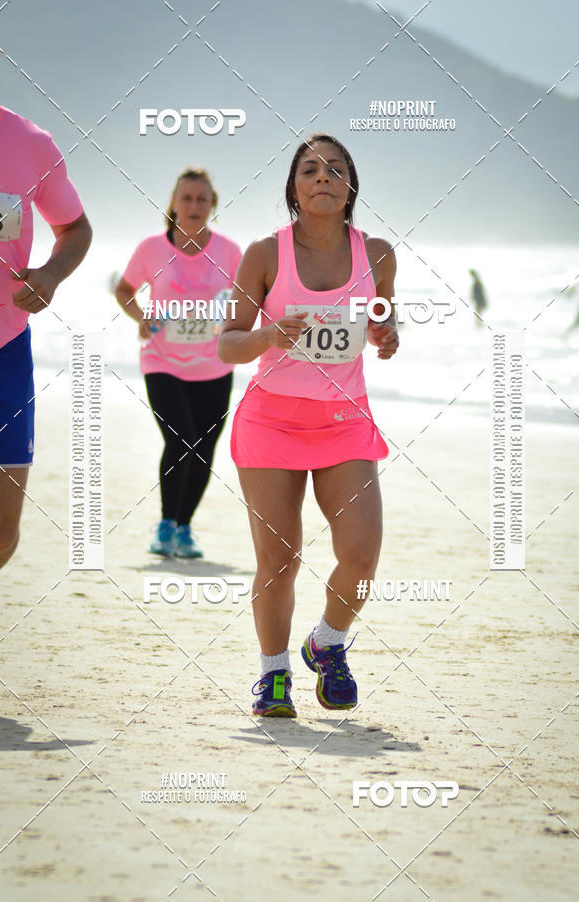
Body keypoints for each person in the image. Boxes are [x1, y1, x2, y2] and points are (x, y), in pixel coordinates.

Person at [219, 133, 399, 717]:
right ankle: (273, 677)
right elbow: (227, 345)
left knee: (363, 555)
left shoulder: (377, 253)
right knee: (280, 559)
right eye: (310, 170)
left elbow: (381, 317)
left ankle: (327, 643)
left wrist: (387, 334)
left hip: (344, 420)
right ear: (293, 189)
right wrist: (269, 336)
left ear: (351, 187)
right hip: (271, 421)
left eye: (336, 169)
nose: (323, 177)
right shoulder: (265, 254)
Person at [0, 45, 92, 570]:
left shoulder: (30, 144)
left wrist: (51, 275)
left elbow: (75, 228)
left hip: (5, 348)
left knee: (3, 534)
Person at [115, 168, 241, 558]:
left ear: (213, 205)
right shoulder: (152, 249)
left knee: (204, 447)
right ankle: (166, 524)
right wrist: (142, 319)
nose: (194, 205)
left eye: (202, 199)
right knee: (181, 437)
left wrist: (231, 320)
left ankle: (185, 528)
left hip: (214, 365)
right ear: (173, 203)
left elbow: (248, 299)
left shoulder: (230, 252)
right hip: (162, 361)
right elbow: (124, 289)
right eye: (186, 198)